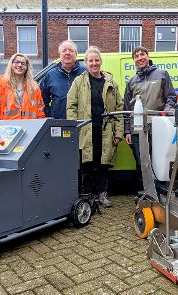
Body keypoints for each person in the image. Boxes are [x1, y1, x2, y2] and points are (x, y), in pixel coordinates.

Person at [67, 46, 123, 208]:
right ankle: (88, 196)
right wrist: (74, 128)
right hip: (85, 130)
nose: (94, 63)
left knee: (103, 164)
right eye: (90, 60)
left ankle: (102, 195)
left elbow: (119, 108)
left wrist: (118, 131)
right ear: (86, 63)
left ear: (101, 62)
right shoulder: (79, 81)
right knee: (87, 164)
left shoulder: (110, 83)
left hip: (105, 130)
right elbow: (71, 106)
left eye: (96, 60)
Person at [123, 46, 176, 185]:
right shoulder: (131, 81)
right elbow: (127, 108)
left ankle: (159, 193)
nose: (140, 58)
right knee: (141, 163)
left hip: (158, 127)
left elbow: (171, 97)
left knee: (158, 160)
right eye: (136, 56)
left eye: (142, 54)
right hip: (137, 129)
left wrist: (166, 113)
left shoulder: (162, 74)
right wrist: (127, 130)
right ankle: (145, 193)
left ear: (148, 56)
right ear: (134, 60)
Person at [0, 53, 45, 121]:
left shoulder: (34, 87)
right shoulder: (1, 83)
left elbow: (40, 110)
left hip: (29, 127)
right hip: (7, 128)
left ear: (27, 67)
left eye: (23, 63)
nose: (19, 65)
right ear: (11, 64)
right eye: (16, 62)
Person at [40, 40, 85, 119]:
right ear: (60, 54)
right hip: (59, 123)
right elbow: (42, 100)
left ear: (76, 54)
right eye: (64, 50)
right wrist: (50, 115)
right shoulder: (50, 75)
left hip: (82, 121)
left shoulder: (85, 73)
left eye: (71, 50)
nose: (67, 53)